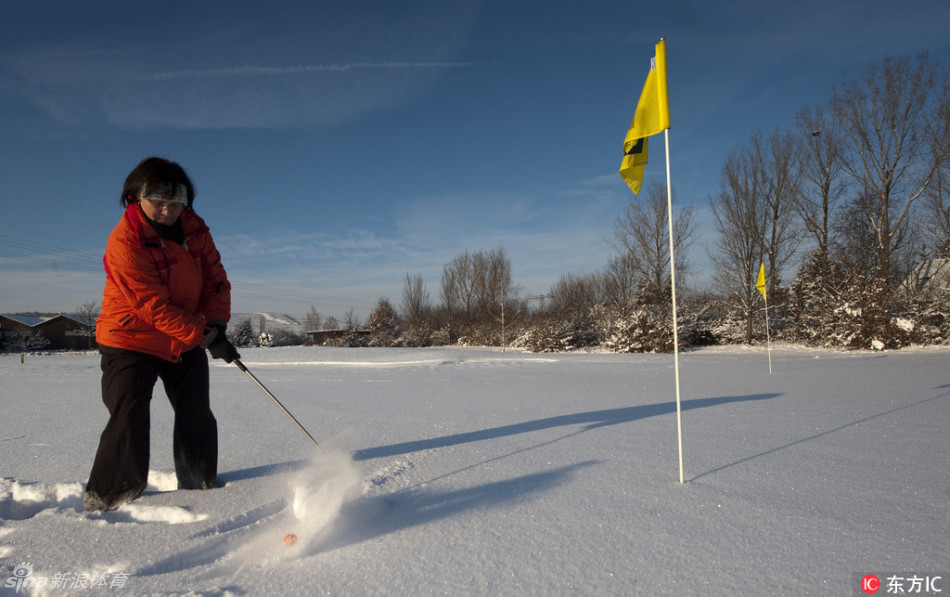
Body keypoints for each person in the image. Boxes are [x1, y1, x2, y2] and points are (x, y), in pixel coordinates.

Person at [84, 157, 240, 512]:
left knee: (196, 411)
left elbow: (215, 280)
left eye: (176, 200)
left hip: (184, 334)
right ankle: (110, 499)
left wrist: (215, 325)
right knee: (129, 413)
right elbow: (150, 304)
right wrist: (203, 333)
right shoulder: (125, 240)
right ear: (135, 197)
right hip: (131, 338)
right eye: (158, 200)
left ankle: (198, 484)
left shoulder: (196, 231)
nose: (168, 209)